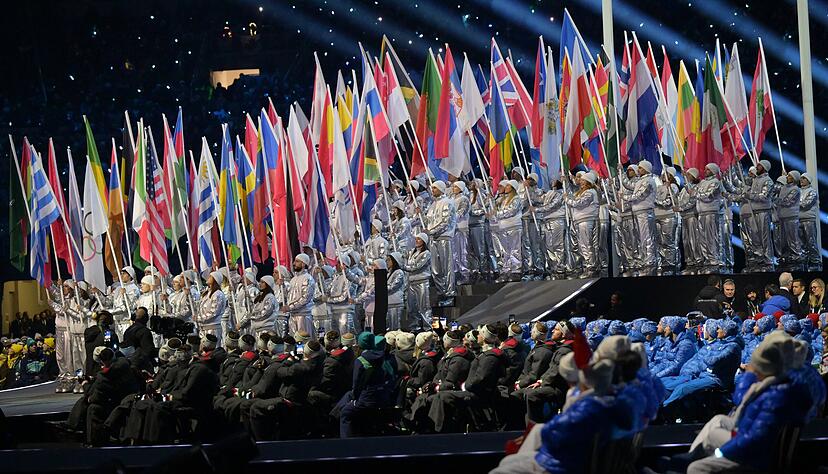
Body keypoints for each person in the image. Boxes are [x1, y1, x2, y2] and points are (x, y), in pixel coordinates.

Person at [684, 333, 812, 474]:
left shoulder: (774, 398)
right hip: (751, 438)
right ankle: (691, 457)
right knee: (718, 420)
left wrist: (721, 453)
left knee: (696, 466)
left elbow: (752, 441)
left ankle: (693, 460)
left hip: (756, 456)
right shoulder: (775, 386)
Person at [336, 332, 397, 438]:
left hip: (366, 399)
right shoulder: (384, 357)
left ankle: (345, 442)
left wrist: (354, 400)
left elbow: (356, 385)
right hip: (382, 396)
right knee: (347, 397)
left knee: (345, 412)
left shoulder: (361, 360)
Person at [425, 181, 457, 302]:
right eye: (432, 188)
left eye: (435, 188)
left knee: (446, 266)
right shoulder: (432, 204)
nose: (432, 190)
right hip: (433, 239)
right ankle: (441, 291)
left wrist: (431, 231)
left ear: (441, 189)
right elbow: (429, 221)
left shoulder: (447, 202)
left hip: (444, 237)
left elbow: (445, 222)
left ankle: (450, 292)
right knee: (435, 268)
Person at [566, 173, 600, 278]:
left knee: (587, 245)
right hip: (581, 221)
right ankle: (588, 267)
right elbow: (576, 199)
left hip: (586, 221)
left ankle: (591, 268)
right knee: (583, 246)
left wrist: (567, 199)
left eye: (583, 180)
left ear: (588, 181)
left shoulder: (590, 192)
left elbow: (579, 203)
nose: (581, 181)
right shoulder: (582, 192)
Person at [694, 163, 726, 274]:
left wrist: (697, 193)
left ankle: (714, 261)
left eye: (707, 169)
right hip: (701, 213)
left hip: (711, 213)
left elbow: (708, 196)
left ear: (713, 171)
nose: (705, 170)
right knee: (702, 238)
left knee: (711, 237)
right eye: (705, 168)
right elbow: (695, 193)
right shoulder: (702, 182)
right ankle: (707, 260)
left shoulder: (716, 182)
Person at [628, 161, 658, 276]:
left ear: (646, 169)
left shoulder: (649, 181)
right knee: (641, 237)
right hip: (638, 212)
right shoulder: (641, 181)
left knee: (647, 237)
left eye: (640, 168)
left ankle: (650, 260)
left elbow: (640, 195)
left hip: (645, 212)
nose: (638, 170)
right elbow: (629, 185)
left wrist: (626, 198)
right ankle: (644, 259)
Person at [745, 159, 775, 272]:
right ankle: (759, 258)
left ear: (764, 167)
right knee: (755, 237)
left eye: (759, 166)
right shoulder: (754, 180)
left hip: (763, 211)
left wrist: (750, 195)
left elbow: (764, 196)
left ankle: (768, 261)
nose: (756, 167)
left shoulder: (768, 180)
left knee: (764, 237)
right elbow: (740, 181)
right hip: (754, 211)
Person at [537, 180, 568, 279]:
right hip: (547, 221)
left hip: (557, 221)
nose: (552, 181)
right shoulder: (549, 193)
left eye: (555, 179)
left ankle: (560, 268)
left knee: (557, 245)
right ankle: (553, 267)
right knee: (549, 245)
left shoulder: (561, 193)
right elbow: (538, 199)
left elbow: (553, 205)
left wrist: (537, 209)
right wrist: (528, 189)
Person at [468, 179, 497, 282]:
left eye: (474, 182)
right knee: (472, 250)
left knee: (482, 249)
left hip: (480, 224)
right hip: (470, 225)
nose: (471, 184)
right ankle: (476, 270)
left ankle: (486, 270)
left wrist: (473, 212)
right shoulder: (469, 195)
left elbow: (483, 209)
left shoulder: (481, 194)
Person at [493, 180, 524, 281]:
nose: (505, 187)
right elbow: (495, 207)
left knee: (515, 249)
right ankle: (506, 270)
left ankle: (516, 271)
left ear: (513, 188)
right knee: (505, 250)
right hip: (503, 228)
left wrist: (497, 214)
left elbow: (511, 211)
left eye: (508, 186)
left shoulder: (516, 199)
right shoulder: (503, 199)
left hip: (514, 226)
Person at [774, 171, 803, 271]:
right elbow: (777, 190)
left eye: (790, 176)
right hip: (782, 217)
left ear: (794, 178)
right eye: (788, 175)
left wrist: (776, 200)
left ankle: (797, 256)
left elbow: (787, 201)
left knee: (792, 238)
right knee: (784, 239)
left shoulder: (796, 189)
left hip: (792, 217)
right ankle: (786, 256)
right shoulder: (784, 188)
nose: (788, 177)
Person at [655, 167, 680, 276]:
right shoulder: (659, 187)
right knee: (659, 243)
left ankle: (670, 265)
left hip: (668, 216)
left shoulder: (673, 187)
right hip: (657, 217)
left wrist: (654, 200)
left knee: (668, 243)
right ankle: (662, 265)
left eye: (666, 173)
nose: (664, 175)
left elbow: (668, 202)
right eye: (663, 173)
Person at [404, 234, 432, 331]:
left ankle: (428, 329)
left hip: (422, 283)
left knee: (424, 307)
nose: (416, 240)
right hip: (411, 283)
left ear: (424, 241)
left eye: (419, 239)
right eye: (416, 239)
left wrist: (404, 267)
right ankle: (414, 328)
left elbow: (417, 266)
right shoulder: (412, 252)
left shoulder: (426, 253)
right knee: (411, 308)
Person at [677, 168, 701, 275]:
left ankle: (697, 262)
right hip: (684, 217)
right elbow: (680, 200)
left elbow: (692, 201)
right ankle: (689, 263)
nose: (686, 176)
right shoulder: (683, 189)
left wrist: (681, 208)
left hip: (692, 216)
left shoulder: (696, 187)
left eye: (688, 174)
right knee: (686, 241)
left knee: (693, 240)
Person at [285, 254, 316, 337]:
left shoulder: (308, 278)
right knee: (293, 340)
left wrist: (290, 307)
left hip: (303, 316)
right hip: (292, 315)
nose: (294, 263)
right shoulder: (293, 279)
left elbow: (305, 298)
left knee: (303, 340)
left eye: (297, 261)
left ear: (303, 264)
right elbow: (289, 296)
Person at [121, 307, 156, 374]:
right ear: (146, 318)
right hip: (142, 367)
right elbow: (148, 350)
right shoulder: (144, 331)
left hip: (130, 365)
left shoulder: (128, 330)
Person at [197, 271, 228, 346]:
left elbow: (214, 312)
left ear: (215, 279)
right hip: (203, 327)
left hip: (212, 328)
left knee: (212, 350)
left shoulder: (218, 294)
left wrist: (199, 318)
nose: (208, 278)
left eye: (211, 276)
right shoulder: (207, 293)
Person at [798, 173, 822, 271]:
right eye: (801, 178)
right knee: (801, 243)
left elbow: (805, 204)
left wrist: (793, 203)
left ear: (808, 180)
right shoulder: (798, 191)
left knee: (811, 242)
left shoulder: (812, 192)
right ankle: (805, 261)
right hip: (799, 220)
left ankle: (815, 262)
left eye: (804, 178)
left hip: (809, 220)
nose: (801, 180)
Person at [451, 181, 471, 284]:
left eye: (455, 186)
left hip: (461, 228)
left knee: (462, 252)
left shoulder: (464, 199)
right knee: (454, 253)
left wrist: (449, 219)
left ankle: (465, 274)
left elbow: (461, 212)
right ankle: (457, 273)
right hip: (453, 230)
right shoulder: (451, 200)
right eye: (453, 186)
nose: (453, 188)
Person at [386, 252, 407, 331]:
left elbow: (393, 286)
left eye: (389, 260)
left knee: (396, 327)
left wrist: (381, 287)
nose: (387, 262)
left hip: (396, 303)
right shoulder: (388, 274)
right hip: (389, 303)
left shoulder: (399, 272)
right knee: (389, 327)